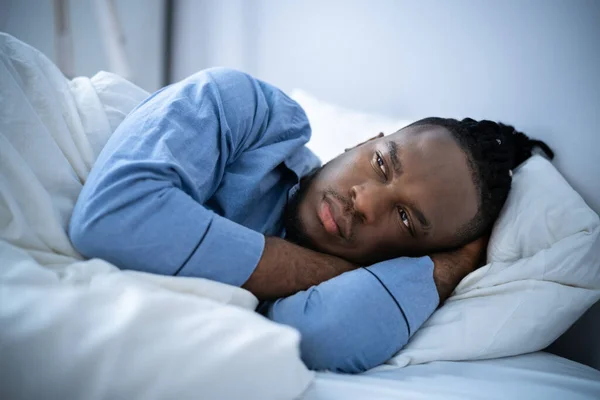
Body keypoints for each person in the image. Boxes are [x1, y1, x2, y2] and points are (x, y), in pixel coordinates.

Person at [68, 68, 553, 373]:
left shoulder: (320, 304)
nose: (365, 201)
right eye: (382, 163)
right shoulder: (252, 113)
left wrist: (457, 263)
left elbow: (327, 338)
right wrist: (323, 270)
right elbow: (114, 217)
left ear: (412, 256)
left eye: (406, 219)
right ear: (361, 143)